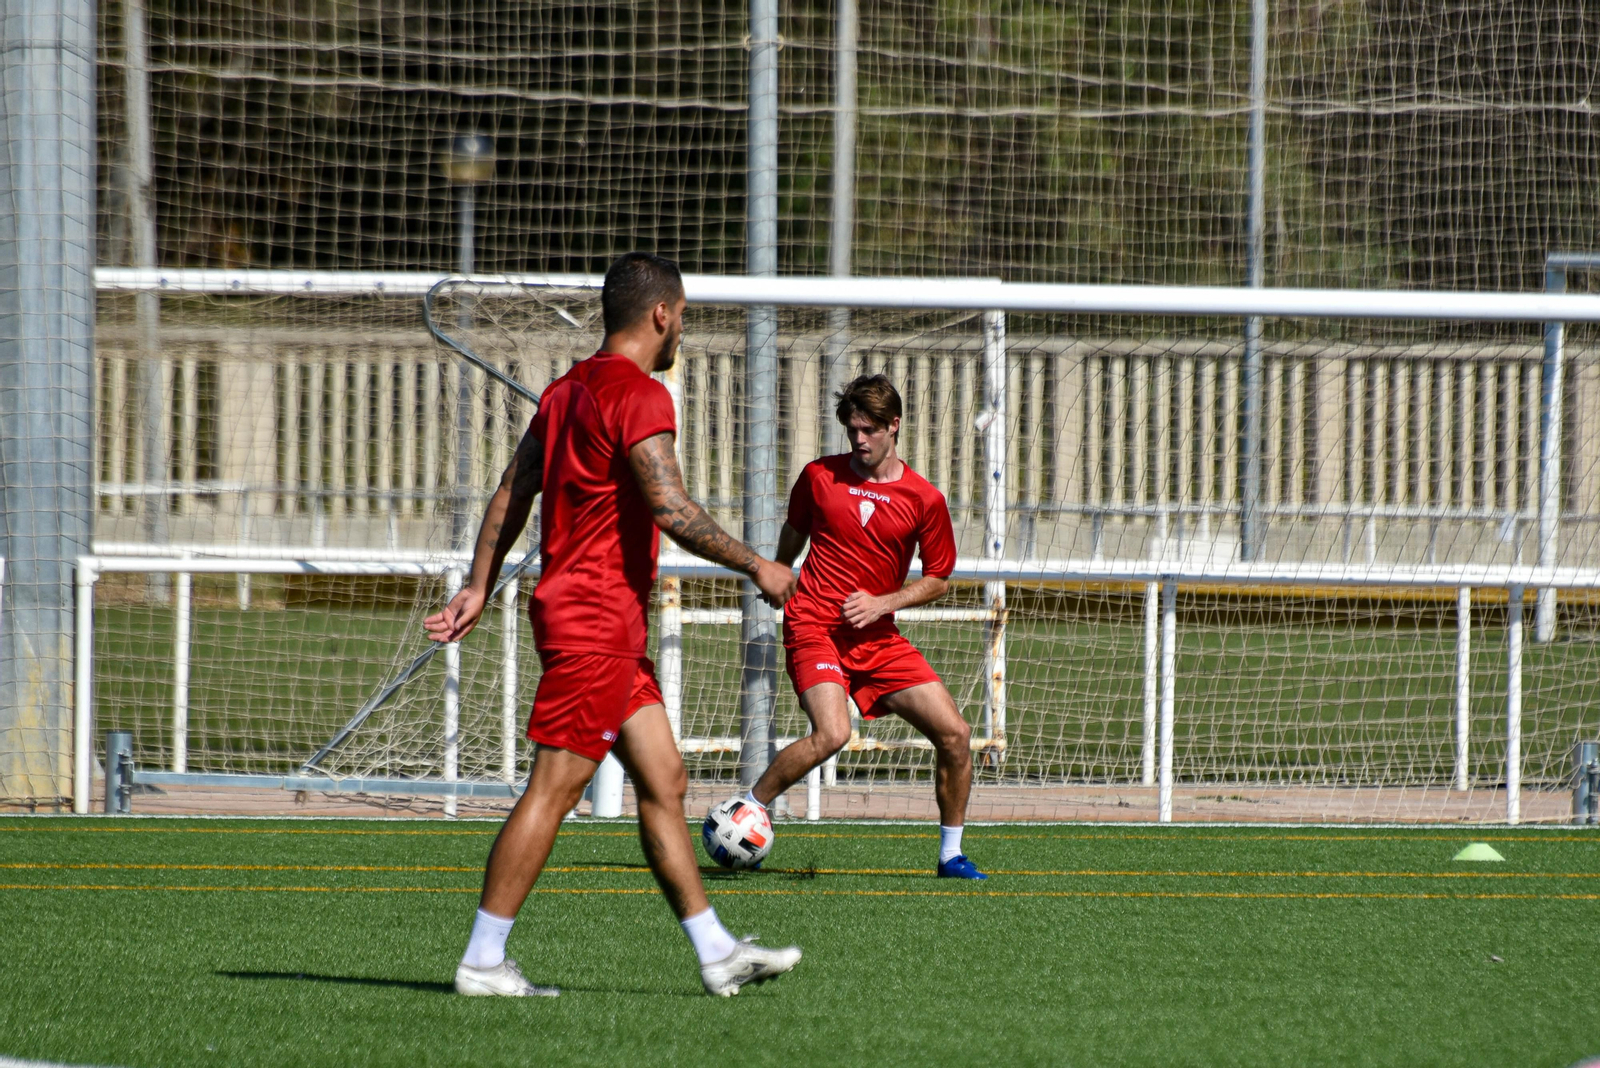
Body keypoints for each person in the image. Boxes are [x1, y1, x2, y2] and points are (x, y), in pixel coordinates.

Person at [425, 252, 802, 998]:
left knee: (665, 779)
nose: (681, 330)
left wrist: (478, 584)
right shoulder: (639, 394)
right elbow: (672, 507)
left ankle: (717, 950)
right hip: (595, 620)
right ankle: (481, 960)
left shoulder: (568, 391)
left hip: (605, 626)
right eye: (683, 316)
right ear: (662, 314)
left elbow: (510, 492)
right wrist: (760, 566)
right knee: (554, 789)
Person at [739, 374, 986, 879]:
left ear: (894, 426)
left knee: (956, 735)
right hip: (814, 625)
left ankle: (950, 857)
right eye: (852, 429)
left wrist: (882, 604)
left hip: (877, 637)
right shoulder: (818, 477)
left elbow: (939, 579)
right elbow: (795, 529)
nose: (858, 440)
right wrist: (782, 570)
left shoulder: (925, 499)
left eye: (869, 429)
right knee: (832, 733)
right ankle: (745, 809)